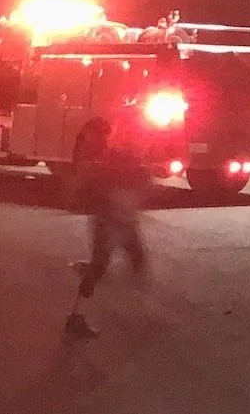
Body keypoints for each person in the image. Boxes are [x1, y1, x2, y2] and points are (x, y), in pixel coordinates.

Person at [64, 125, 150, 339]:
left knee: (136, 258)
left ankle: (139, 311)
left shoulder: (125, 163)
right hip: (110, 221)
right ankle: (76, 315)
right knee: (100, 266)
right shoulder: (111, 164)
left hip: (122, 220)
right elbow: (94, 183)